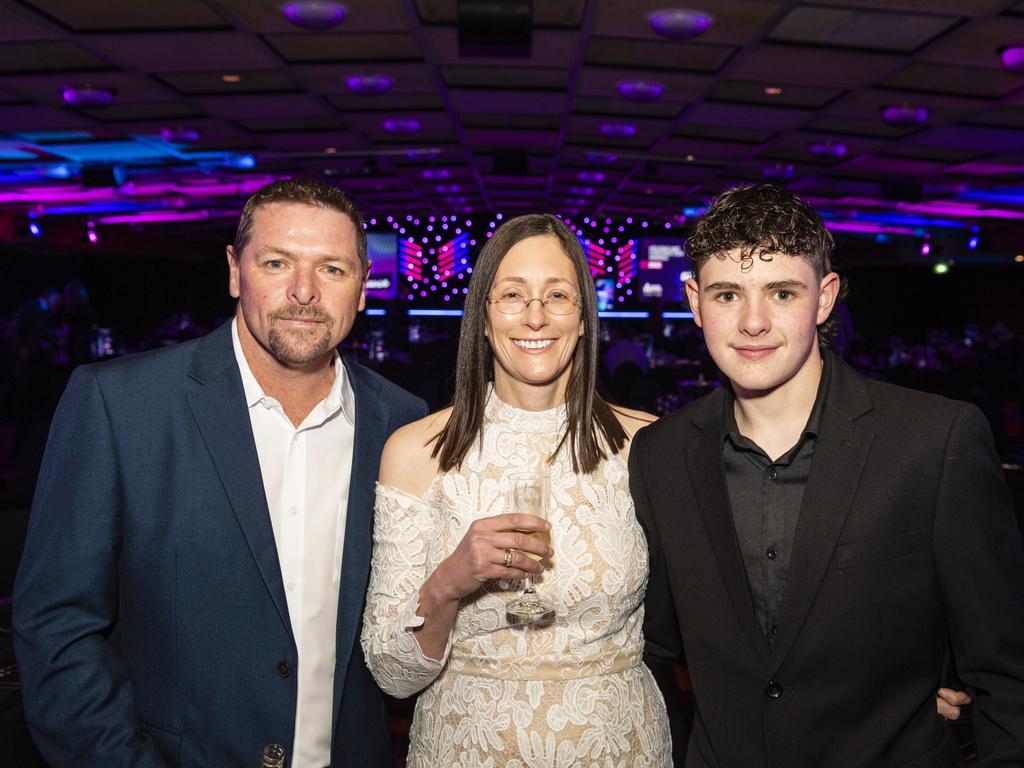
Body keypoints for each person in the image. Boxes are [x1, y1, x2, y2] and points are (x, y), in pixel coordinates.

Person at [13, 178, 426, 767]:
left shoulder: (404, 425)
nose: (304, 292)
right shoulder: (120, 405)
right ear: (235, 271)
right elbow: (57, 628)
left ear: (363, 286)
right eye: (278, 262)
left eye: (332, 269)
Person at [629, 184, 1024, 767]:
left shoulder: (934, 440)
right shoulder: (660, 455)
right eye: (727, 294)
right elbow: (652, 648)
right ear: (694, 301)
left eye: (781, 292)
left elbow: (1005, 669)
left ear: (824, 297)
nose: (753, 322)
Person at [361, 214, 672, 766]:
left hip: (618, 747)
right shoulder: (414, 452)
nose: (535, 316)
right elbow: (392, 673)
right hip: (464, 748)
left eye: (557, 295)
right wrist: (451, 582)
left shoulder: (649, 446)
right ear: (482, 316)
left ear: (583, 319)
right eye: (511, 295)